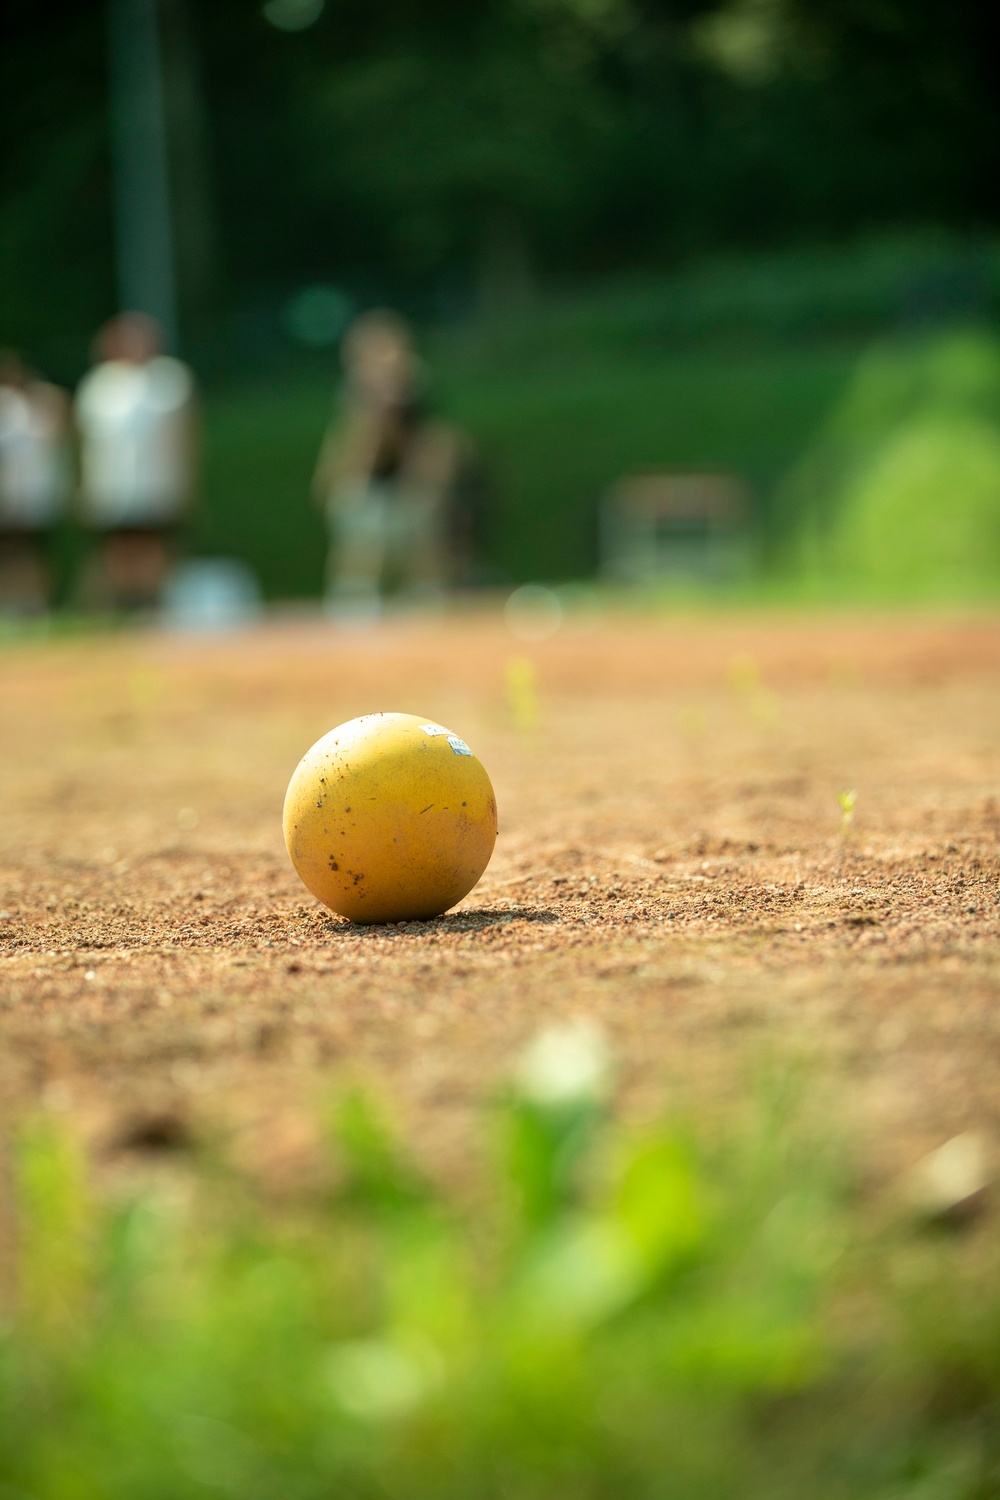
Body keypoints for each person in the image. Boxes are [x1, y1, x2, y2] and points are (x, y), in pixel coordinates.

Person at [312, 310, 476, 617]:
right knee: (360, 534)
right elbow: (351, 456)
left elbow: (435, 446)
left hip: (411, 487)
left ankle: (426, 600)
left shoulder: (417, 390)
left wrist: (432, 490)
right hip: (371, 488)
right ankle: (354, 602)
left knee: (424, 524)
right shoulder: (356, 395)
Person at [75, 313, 196, 611]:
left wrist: (187, 480)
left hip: (156, 482)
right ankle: (117, 605)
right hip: (112, 484)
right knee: (116, 547)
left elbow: (185, 434)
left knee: (156, 546)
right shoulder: (99, 386)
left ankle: (154, 604)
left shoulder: (168, 380)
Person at [0, 351, 71, 614]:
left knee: (34, 552)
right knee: (10, 553)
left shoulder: (39, 405)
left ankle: (36, 602)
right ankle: (10, 602)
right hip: (9, 496)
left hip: (34, 496)